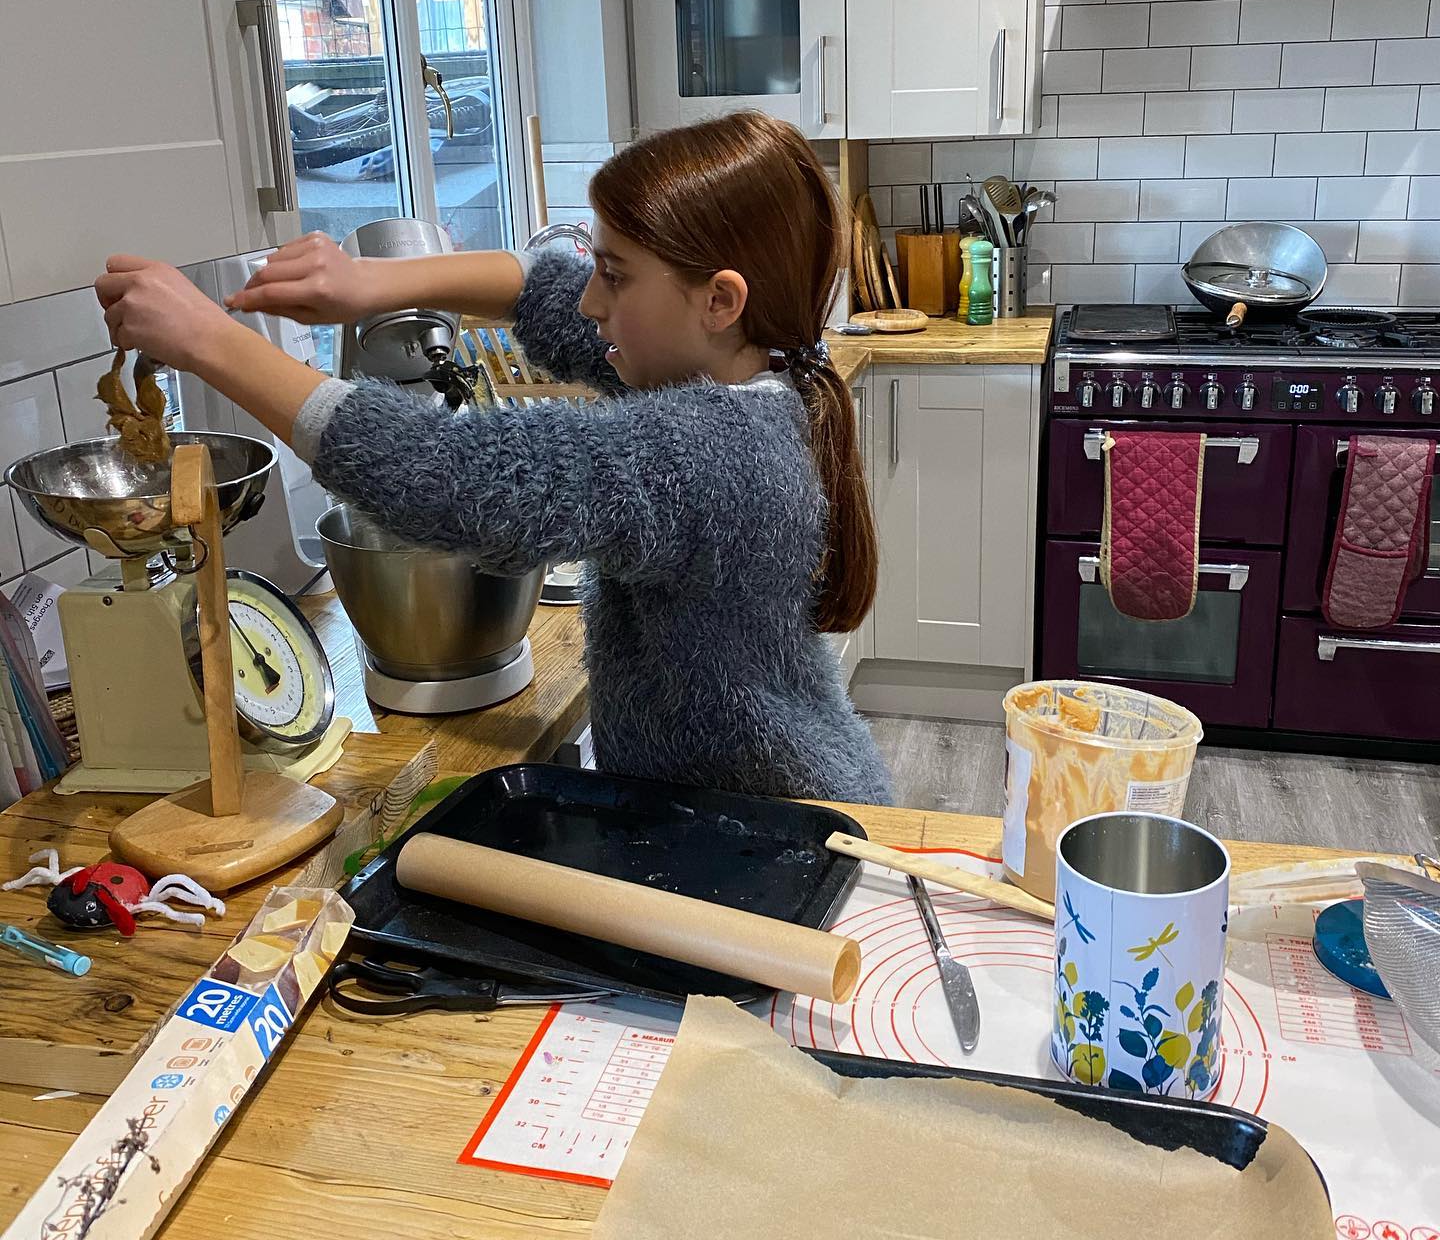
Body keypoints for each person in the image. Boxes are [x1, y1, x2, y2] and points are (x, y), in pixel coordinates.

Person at [95, 110, 892, 805]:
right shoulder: (752, 367)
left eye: (614, 276)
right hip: (751, 802)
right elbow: (536, 287)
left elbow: (449, 479)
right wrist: (364, 282)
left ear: (720, 300)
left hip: (779, 826)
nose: (591, 302)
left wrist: (205, 339)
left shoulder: (711, 449)